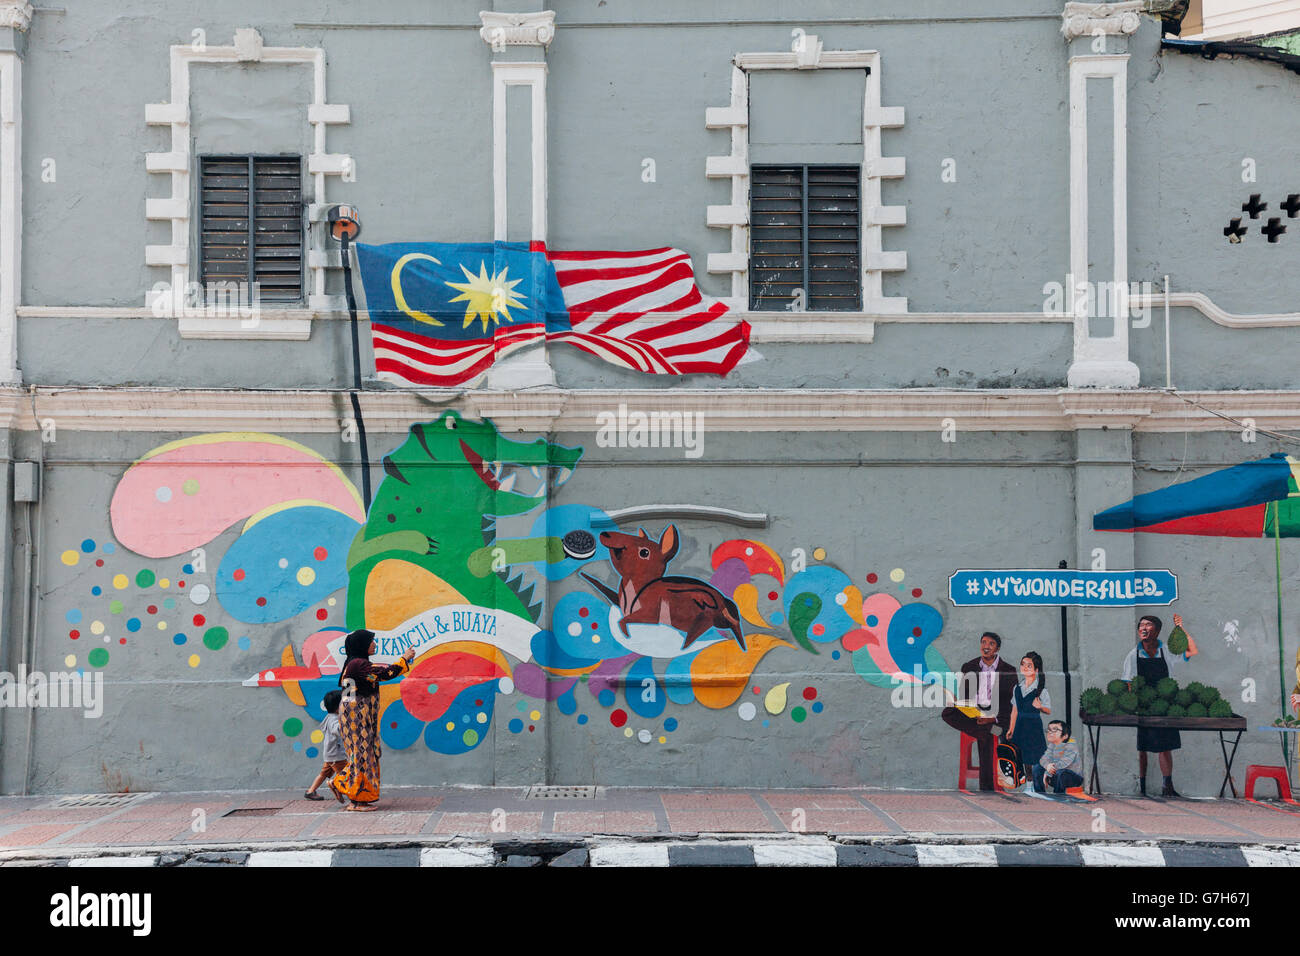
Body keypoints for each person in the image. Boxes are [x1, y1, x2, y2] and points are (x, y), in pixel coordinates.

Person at [329, 629, 416, 811]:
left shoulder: (357, 664)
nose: (374, 644)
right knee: (362, 756)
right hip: (356, 717)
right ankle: (351, 796)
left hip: (359, 715)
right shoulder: (358, 664)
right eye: (371, 642)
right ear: (362, 645)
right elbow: (385, 674)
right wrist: (404, 659)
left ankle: (356, 797)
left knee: (366, 755)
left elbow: (373, 678)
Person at [1121, 612, 1198, 798]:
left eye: (1148, 625)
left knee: (1165, 747)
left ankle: (1167, 786)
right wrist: (1132, 703)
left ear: (1157, 630)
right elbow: (1127, 682)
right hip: (1144, 706)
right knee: (1142, 748)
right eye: (1141, 625)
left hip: (1165, 705)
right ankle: (1143, 786)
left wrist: (1180, 628)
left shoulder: (1168, 651)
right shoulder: (1133, 654)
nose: (1143, 628)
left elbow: (1192, 651)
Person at [941, 631, 1016, 791]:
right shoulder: (969, 667)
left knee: (989, 734)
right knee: (948, 712)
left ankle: (987, 787)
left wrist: (991, 719)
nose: (986, 646)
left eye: (991, 644)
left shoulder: (1009, 670)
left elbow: (1008, 705)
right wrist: (958, 702)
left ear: (997, 649)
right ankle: (982, 730)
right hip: (974, 715)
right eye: (983, 642)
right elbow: (965, 696)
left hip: (996, 723)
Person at [1007, 650, 1051, 788]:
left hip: (1033, 725)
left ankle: (1039, 781)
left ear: (1036, 670)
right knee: (1023, 755)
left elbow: (1048, 710)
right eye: (1023, 664)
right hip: (1020, 724)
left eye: (1029, 665)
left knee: (1036, 754)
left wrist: (1040, 707)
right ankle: (1029, 782)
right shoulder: (1017, 688)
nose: (1025, 668)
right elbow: (1014, 710)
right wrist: (1011, 728)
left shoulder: (1041, 690)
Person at [304, 689, 346, 801]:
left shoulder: (329, 717)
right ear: (338, 707)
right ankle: (335, 785)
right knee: (345, 775)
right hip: (336, 755)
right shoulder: (334, 720)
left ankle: (310, 791)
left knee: (323, 774)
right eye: (343, 703)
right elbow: (337, 730)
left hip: (330, 754)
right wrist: (346, 722)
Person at [1034, 719, 1083, 794]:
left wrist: (1048, 772)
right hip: (1055, 775)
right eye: (1049, 730)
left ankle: (1059, 796)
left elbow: (1064, 763)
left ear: (1065, 735)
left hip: (1073, 778)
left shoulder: (1071, 744)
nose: (1050, 732)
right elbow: (1043, 759)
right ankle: (1040, 794)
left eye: (1055, 730)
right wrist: (1047, 766)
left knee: (1061, 773)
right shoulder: (1052, 744)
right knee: (1037, 768)